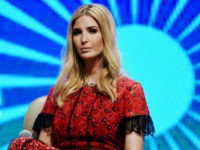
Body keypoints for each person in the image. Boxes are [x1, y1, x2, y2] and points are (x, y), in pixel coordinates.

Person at [9, 3, 155, 150]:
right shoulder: (59, 91)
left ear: (106, 35)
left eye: (92, 31)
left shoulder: (130, 90)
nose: (83, 39)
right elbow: (43, 146)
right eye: (77, 32)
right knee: (20, 145)